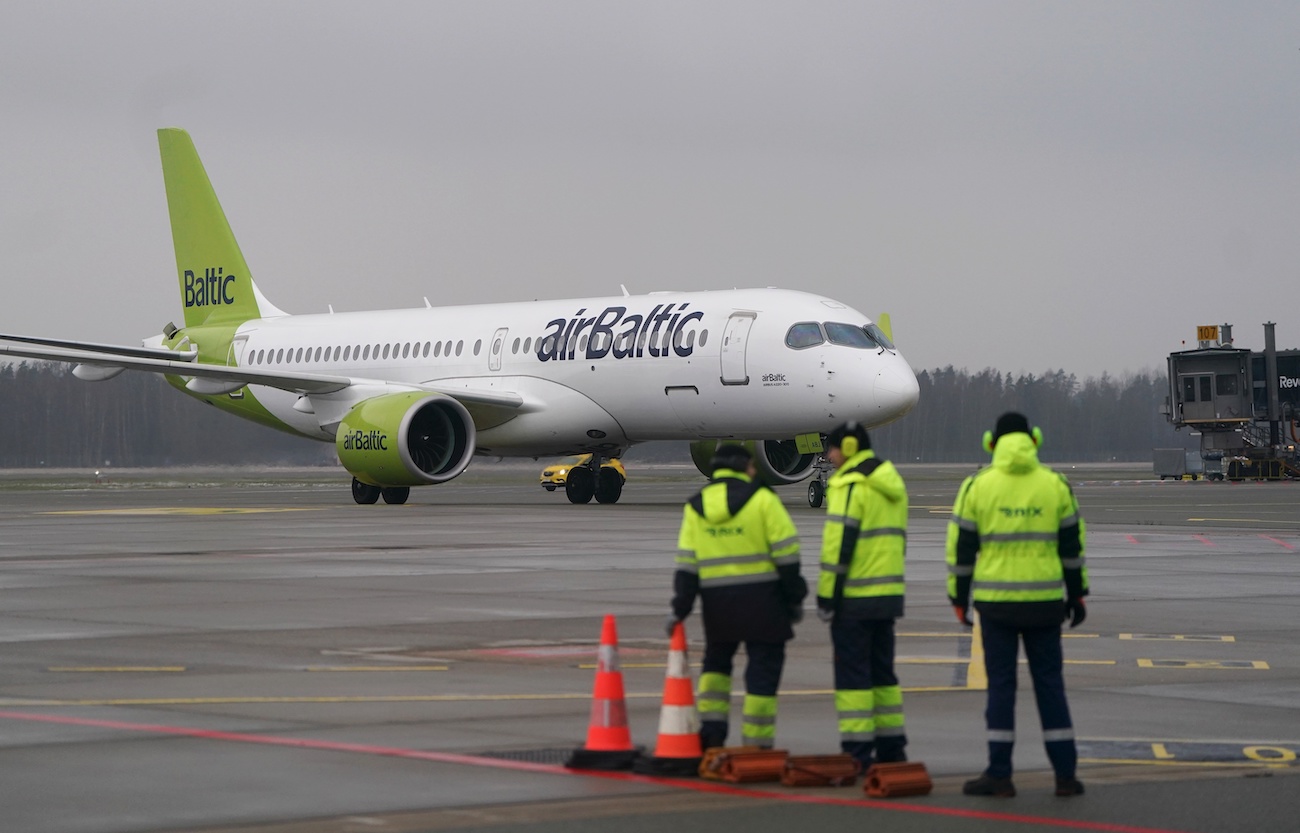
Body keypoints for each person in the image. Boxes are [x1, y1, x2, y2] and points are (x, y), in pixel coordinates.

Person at [946, 412, 1089, 798]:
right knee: (1050, 686)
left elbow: (961, 550)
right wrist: (1076, 593)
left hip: (997, 606)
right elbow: (1072, 547)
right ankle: (1065, 776)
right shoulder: (1055, 484)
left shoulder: (978, 485)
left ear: (991, 443)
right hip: (1045, 604)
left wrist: (959, 597)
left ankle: (999, 774)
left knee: (1001, 689)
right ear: (1034, 440)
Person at [669, 444, 806, 749]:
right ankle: (757, 744)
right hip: (765, 604)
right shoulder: (763, 500)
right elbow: (787, 555)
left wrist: (679, 609)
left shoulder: (696, 507)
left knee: (716, 668)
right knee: (762, 675)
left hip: (718, 606)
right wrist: (795, 598)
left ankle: (712, 735)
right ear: (746, 467)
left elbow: (687, 566)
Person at [816, 421, 910, 770]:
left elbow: (838, 547)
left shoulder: (850, 485)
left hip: (854, 599)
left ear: (849, 448)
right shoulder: (891, 481)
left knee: (853, 678)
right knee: (883, 675)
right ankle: (892, 748)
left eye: (833, 448)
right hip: (888, 596)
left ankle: (857, 752)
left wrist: (827, 598)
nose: (829, 455)